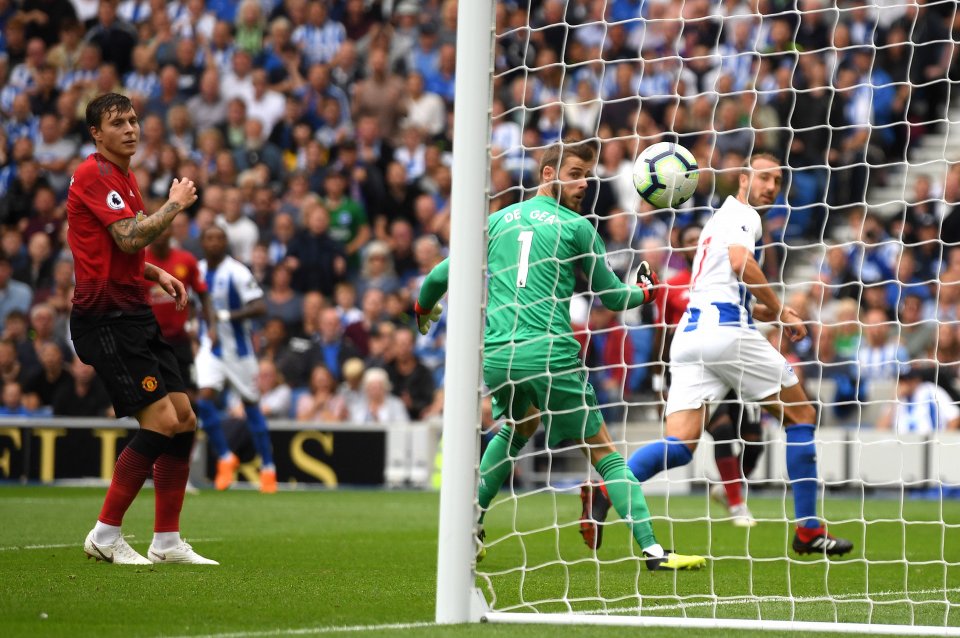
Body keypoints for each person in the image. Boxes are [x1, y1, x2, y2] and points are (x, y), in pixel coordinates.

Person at [415, 140, 705, 570]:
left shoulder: (495, 221)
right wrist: (645, 289)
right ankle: (653, 550)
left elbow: (440, 274)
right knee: (605, 453)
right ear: (547, 175)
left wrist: (424, 310)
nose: (583, 183)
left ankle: (469, 522)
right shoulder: (576, 227)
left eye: (586, 175)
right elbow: (612, 298)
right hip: (550, 355)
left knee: (517, 427)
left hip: (498, 357)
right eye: (573, 173)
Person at [619, 154, 854, 557]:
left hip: (690, 339)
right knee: (801, 416)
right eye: (764, 177)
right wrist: (779, 309)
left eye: (778, 180)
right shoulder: (745, 216)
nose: (771, 186)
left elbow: (735, 290)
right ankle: (809, 530)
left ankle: (608, 487)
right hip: (725, 335)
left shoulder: (716, 223)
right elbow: (742, 265)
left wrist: (776, 314)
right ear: (743, 180)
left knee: (681, 443)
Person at [68, 92, 216, 565]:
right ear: (97, 133)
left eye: (133, 120)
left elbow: (124, 246)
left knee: (185, 419)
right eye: (118, 122)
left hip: (133, 311)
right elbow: (130, 234)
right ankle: (104, 534)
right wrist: (173, 205)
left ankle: (167, 542)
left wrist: (155, 272)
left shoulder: (123, 176)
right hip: (105, 318)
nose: (131, 128)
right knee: (162, 422)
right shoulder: (95, 174)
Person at [643, 222, 764, 529]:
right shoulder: (673, 288)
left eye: (700, 238)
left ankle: (726, 488)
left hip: (733, 367)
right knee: (721, 429)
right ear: (681, 247)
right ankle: (738, 505)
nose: (696, 243)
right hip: (695, 373)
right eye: (690, 239)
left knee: (755, 439)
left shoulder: (726, 280)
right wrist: (659, 386)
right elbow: (662, 339)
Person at [193, 225, 275, 493]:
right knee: (203, 399)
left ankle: (268, 468)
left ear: (225, 242)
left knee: (252, 406)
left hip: (239, 352)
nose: (214, 242)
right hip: (211, 348)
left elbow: (260, 305)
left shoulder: (237, 271)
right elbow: (196, 305)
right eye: (209, 238)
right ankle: (226, 458)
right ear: (203, 242)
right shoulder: (198, 270)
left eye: (219, 238)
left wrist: (229, 315)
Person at [877, 367, 960, 434]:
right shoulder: (897, 398)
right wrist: (895, 398)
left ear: (917, 380)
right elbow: (881, 429)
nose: (905, 383)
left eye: (908, 379)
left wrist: (942, 441)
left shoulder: (930, 390)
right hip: (901, 446)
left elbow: (955, 417)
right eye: (902, 380)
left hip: (929, 444)